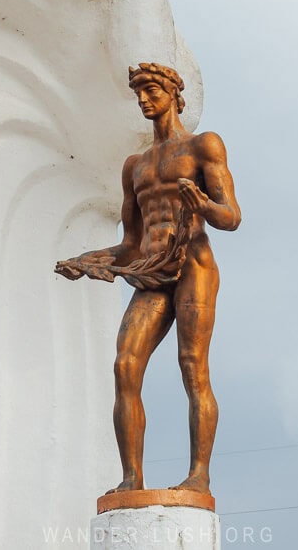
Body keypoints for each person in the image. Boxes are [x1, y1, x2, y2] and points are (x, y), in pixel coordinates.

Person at [54, 62, 241, 496]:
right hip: (151, 270)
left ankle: (199, 476)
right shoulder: (135, 166)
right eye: (138, 93)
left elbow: (230, 216)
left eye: (152, 91)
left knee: (193, 367)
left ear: (174, 95)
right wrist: (86, 259)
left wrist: (202, 204)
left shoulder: (203, 145)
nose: (143, 100)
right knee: (125, 366)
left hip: (193, 264)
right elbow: (130, 244)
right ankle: (131, 479)